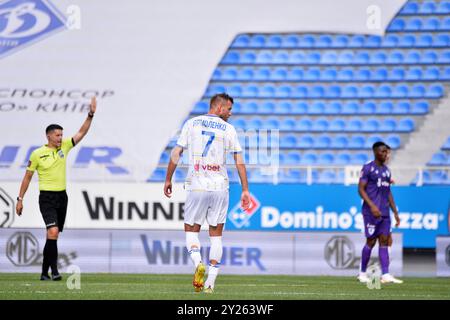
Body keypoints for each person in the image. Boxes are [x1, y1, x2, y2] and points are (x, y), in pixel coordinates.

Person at [164, 93, 250, 293]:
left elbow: (176, 153)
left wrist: (168, 178)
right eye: (228, 109)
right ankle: (210, 282)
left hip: (197, 186)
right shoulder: (229, 129)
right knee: (216, 236)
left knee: (191, 231)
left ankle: (197, 263)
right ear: (219, 108)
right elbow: (239, 161)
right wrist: (245, 189)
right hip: (220, 188)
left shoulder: (192, 123)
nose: (230, 113)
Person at [16, 97, 97, 281]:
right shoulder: (37, 154)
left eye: (62, 135)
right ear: (49, 136)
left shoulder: (65, 147)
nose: (61, 138)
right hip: (46, 197)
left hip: (62, 197)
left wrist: (90, 115)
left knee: (53, 236)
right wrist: (19, 200)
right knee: (52, 232)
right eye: (58, 135)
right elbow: (27, 177)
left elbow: (81, 132)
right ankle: (54, 271)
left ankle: (46, 272)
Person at [356, 141, 403, 284]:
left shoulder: (387, 171)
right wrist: (372, 206)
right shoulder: (368, 168)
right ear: (376, 152)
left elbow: (388, 192)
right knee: (371, 241)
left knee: (384, 240)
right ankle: (362, 273)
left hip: (384, 212)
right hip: (371, 212)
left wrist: (395, 212)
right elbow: (361, 189)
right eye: (383, 152)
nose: (386, 155)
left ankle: (386, 274)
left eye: (387, 152)